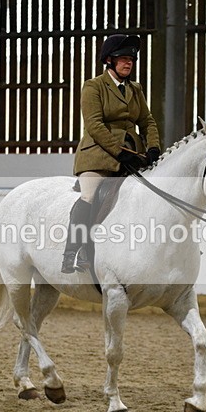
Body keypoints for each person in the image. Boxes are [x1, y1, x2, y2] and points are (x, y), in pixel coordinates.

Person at [61, 33, 162, 274]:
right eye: (123, 58)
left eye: (131, 59)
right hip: (98, 155)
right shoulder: (93, 86)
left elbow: (147, 121)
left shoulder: (135, 89)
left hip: (131, 155)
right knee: (89, 195)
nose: (129, 63)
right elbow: (94, 125)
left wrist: (153, 147)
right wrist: (119, 152)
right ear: (109, 60)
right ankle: (74, 251)